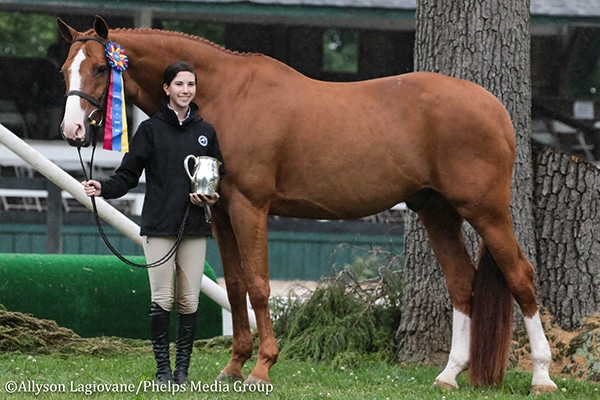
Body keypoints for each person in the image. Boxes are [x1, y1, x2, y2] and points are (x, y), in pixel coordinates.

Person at [82, 61, 225, 385]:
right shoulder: (149, 130)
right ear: (166, 89)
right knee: (162, 298)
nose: (185, 90)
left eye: (190, 84)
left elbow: (217, 174)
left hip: (193, 227)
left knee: (189, 300)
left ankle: (182, 372)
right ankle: (163, 370)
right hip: (160, 227)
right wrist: (103, 188)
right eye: (179, 84)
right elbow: (128, 174)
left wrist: (211, 195)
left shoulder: (206, 132)